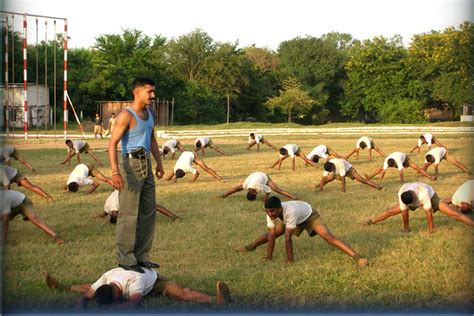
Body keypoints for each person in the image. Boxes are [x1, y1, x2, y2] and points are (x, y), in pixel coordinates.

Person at [108, 77, 164, 274]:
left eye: (153, 91)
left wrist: (159, 163)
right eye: (149, 92)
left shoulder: (150, 113)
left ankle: (142, 256)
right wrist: (115, 172)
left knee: (148, 212)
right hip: (130, 165)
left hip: (146, 163)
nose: (153, 96)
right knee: (129, 214)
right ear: (137, 92)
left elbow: (153, 139)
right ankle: (126, 258)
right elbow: (112, 144)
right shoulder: (126, 115)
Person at [234, 196, 368, 267]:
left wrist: (290, 260)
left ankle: (358, 258)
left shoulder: (289, 211)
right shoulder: (271, 212)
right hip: (296, 217)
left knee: (328, 237)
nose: (270, 214)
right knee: (273, 233)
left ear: (279, 208)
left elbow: (288, 238)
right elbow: (271, 235)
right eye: (267, 211)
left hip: (309, 215)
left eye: (272, 211)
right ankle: (250, 247)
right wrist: (269, 257)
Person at [44, 268, 231, 308]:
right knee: (88, 287)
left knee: (181, 294)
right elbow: (90, 292)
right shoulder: (106, 279)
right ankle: (62, 286)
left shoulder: (133, 283)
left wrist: (112, 308)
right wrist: (82, 303)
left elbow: (134, 303)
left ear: (118, 294)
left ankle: (216, 300)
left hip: (154, 281)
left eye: (117, 298)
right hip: (122, 282)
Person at [363, 182, 474, 233]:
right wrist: (406, 229)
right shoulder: (402, 193)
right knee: (391, 211)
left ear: (414, 195)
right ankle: (371, 221)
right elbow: (404, 213)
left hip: (431, 197)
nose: (415, 204)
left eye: (415, 201)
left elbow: (428, 212)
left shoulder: (422, 192)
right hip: (411, 198)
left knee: (455, 214)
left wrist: (431, 230)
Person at [98, 190, 182, 224]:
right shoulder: (107, 206)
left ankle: (175, 217)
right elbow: (104, 212)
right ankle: (175, 217)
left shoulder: (115, 206)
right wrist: (100, 216)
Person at [220, 172, 297, 202]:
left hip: (264, 176)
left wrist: (265, 199)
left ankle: (294, 198)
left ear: (254, 192)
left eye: (256, 194)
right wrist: (224, 195)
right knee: (237, 188)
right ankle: (223, 195)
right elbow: (235, 189)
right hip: (255, 175)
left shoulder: (258, 187)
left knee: (277, 189)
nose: (257, 194)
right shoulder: (246, 186)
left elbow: (269, 190)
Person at [319, 158, 384, 192]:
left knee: (362, 180)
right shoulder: (327, 166)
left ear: (333, 166)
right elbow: (324, 177)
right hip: (338, 171)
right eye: (329, 171)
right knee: (328, 179)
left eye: (331, 170)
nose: (330, 171)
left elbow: (343, 179)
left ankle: (379, 187)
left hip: (349, 170)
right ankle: (319, 187)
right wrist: (321, 188)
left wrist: (343, 191)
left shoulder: (339, 163)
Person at [364, 151, 434, 183]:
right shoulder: (386, 161)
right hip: (395, 158)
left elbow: (400, 172)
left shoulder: (398, 161)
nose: (394, 167)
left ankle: (429, 177)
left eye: (394, 166)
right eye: (392, 167)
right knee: (380, 168)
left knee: (417, 168)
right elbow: (383, 172)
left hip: (405, 159)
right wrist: (380, 181)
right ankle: (370, 176)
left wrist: (402, 181)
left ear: (395, 163)